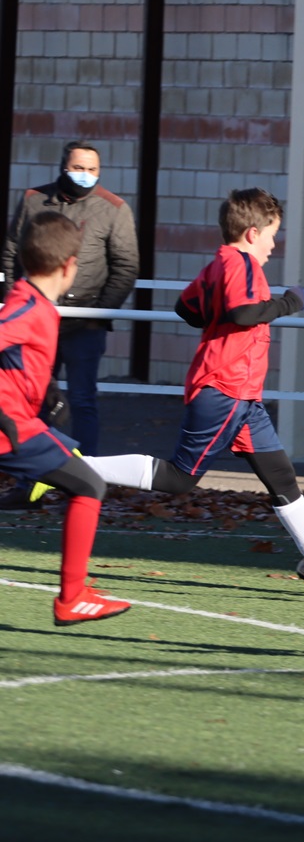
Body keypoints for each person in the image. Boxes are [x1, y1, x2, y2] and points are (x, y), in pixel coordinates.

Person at [80, 189, 304, 595]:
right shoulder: (242, 263)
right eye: (272, 235)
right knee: (180, 478)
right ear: (252, 233)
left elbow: (187, 308)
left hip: (243, 395)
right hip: (224, 388)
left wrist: (221, 320)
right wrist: (288, 302)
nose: (274, 245)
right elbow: (242, 313)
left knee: (281, 476)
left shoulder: (219, 262)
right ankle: (71, 466)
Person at [0, 211, 130, 626]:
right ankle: (71, 598)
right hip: (11, 427)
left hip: (22, 423)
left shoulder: (32, 300)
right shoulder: (29, 307)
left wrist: (48, 390)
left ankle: (75, 592)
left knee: (80, 473)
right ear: (69, 265)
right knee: (88, 484)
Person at [0, 140, 138, 461]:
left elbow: (126, 266)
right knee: (32, 398)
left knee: (82, 399)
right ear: (64, 167)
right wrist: (14, 303)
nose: (85, 174)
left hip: (84, 324)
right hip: (36, 320)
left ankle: (85, 469)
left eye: (92, 169)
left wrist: (98, 314)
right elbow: (10, 252)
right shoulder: (33, 200)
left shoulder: (114, 208)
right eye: (79, 168)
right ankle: (33, 471)